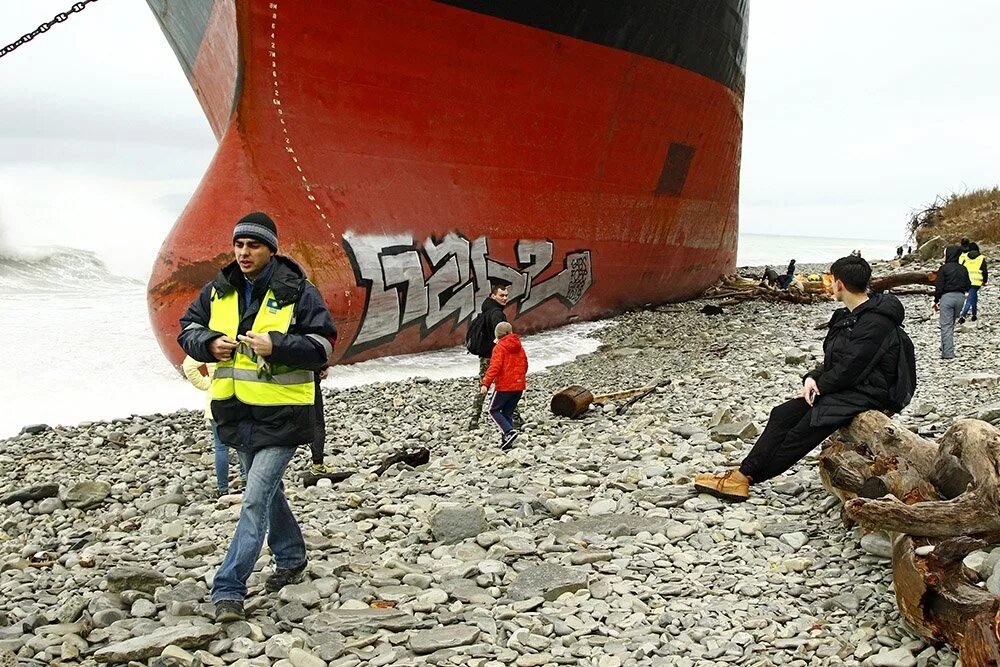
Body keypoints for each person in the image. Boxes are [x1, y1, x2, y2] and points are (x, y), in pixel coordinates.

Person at [178, 212, 337, 622]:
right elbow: (188, 329)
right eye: (239, 245)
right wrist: (208, 343)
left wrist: (277, 345)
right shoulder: (219, 289)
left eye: (253, 245)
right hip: (237, 413)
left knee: (253, 498)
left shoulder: (299, 291)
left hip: (283, 415)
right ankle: (292, 556)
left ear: (271, 249)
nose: (244, 253)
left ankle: (229, 587)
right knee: (267, 492)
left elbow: (323, 345)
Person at [694, 255, 909, 501]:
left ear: (840, 284)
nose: (829, 285)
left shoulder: (876, 322)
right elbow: (834, 362)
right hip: (850, 385)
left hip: (872, 392)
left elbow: (852, 366)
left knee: (806, 427)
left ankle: (745, 478)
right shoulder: (848, 316)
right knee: (782, 413)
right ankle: (743, 476)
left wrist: (822, 386)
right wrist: (812, 379)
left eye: (831, 280)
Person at [182, 355, 246, 496]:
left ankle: (222, 488)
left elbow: (188, 366)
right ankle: (246, 482)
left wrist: (208, 385)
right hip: (241, 398)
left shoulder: (212, 343)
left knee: (220, 447)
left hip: (216, 400)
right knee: (243, 445)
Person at [468, 281, 522, 430]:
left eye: (506, 295)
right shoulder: (497, 313)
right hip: (495, 355)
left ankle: (474, 420)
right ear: (493, 295)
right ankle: (515, 418)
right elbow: (501, 334)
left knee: (484, 385)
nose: (505, 298)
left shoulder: (487, 309)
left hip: (485, 354)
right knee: (506, 386)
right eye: (501, 295)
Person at [480, 322, 528, 450]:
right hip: (519, 386)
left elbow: (494, 367)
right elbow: (525, 365)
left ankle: (508, 432)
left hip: (504, 386)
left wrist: (486, 383)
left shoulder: (499, 348)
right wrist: (520, 379)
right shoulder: (519, 346)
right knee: (507, 412)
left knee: (493, 410)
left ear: (498, 335)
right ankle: (506, 442)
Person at [933, 245, 971, 359]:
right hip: (960, 298)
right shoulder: (963, 268)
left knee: (946, 326)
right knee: (951, 324)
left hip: (947, 298)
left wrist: (936, 300)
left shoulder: (943, 269)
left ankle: (948, 353)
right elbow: (968, 286)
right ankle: (945, 347)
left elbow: (939, 287)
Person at [959, 242, 988, 323]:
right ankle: (963, 316)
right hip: (977, 281)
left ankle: (974, 314)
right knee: (970, 298)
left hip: (967, 281)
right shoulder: (981, 258)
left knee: (973, 297)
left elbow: (962, 268)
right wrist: (985, 281)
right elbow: (984, 271)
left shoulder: (965, 257)